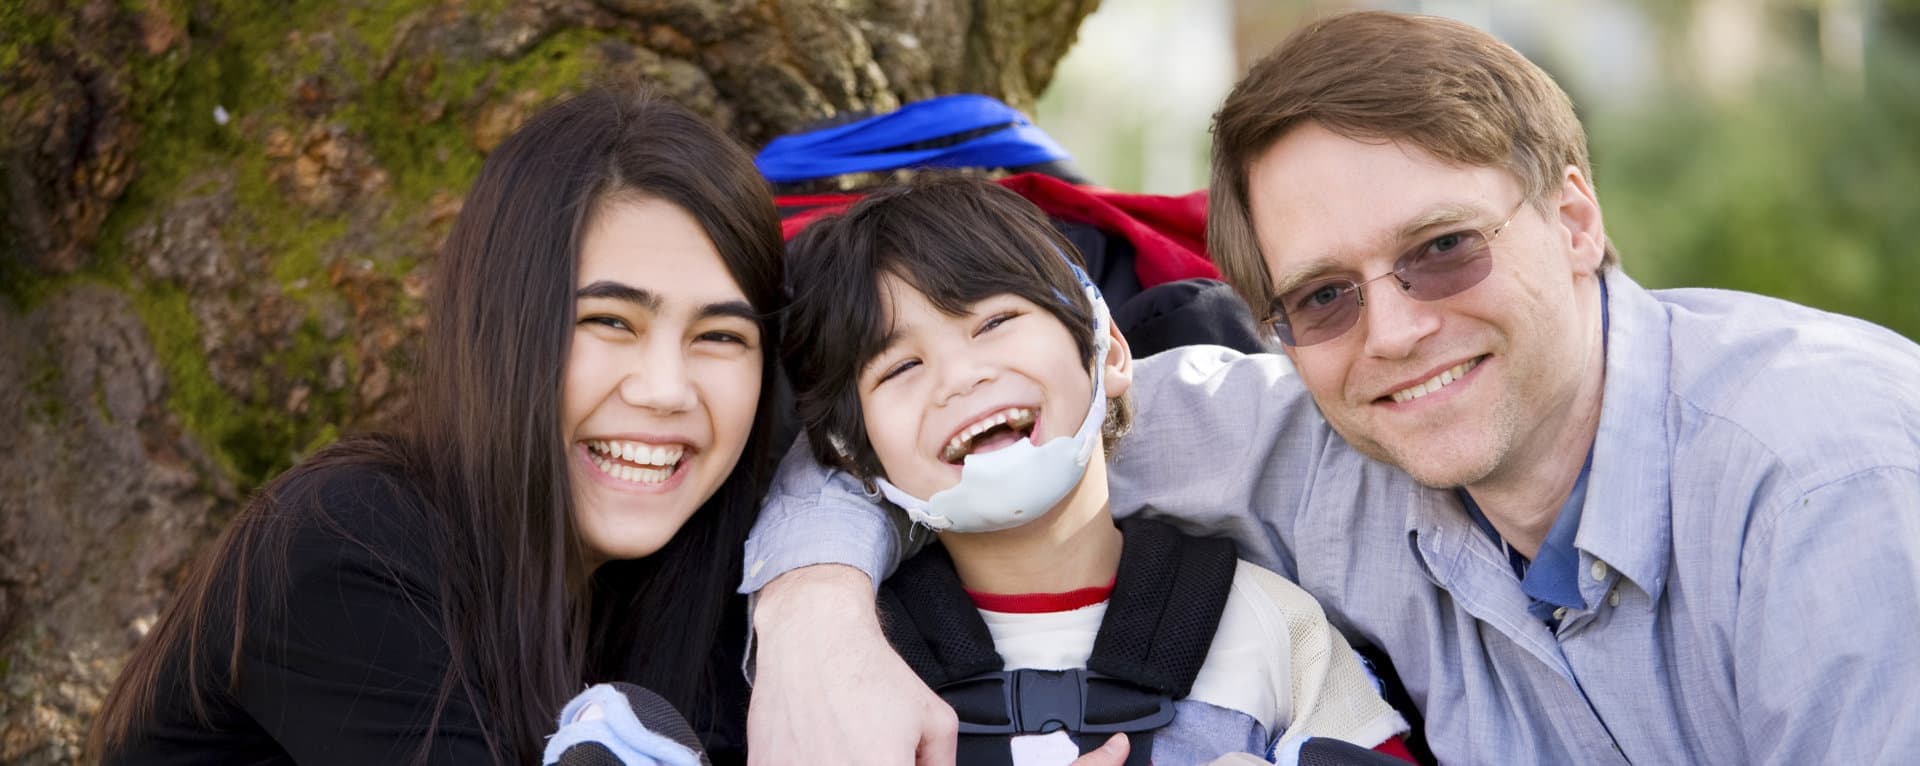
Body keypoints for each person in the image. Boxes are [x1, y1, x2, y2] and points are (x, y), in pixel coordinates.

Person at [738, 11, 1920, 766]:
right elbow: (947, 439)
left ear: (1572, 217)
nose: (1397, 331)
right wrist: (814, 621)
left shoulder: (1835, 485)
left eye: (1443, 248)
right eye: (1323, 297)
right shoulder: (1304, 441)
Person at [89, 87, 788, 765]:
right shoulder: (345, 553)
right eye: (608, 321)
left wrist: (825, 597)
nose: (666, 390)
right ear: (498, 331)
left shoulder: (694, 574)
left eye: (722, 335)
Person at [776, 174, 1410, 765]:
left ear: (1106, 349)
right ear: (852, 454)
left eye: (995, 322)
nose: (960, 378)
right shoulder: (849, 663)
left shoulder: (1269, 623)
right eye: (900, 368)